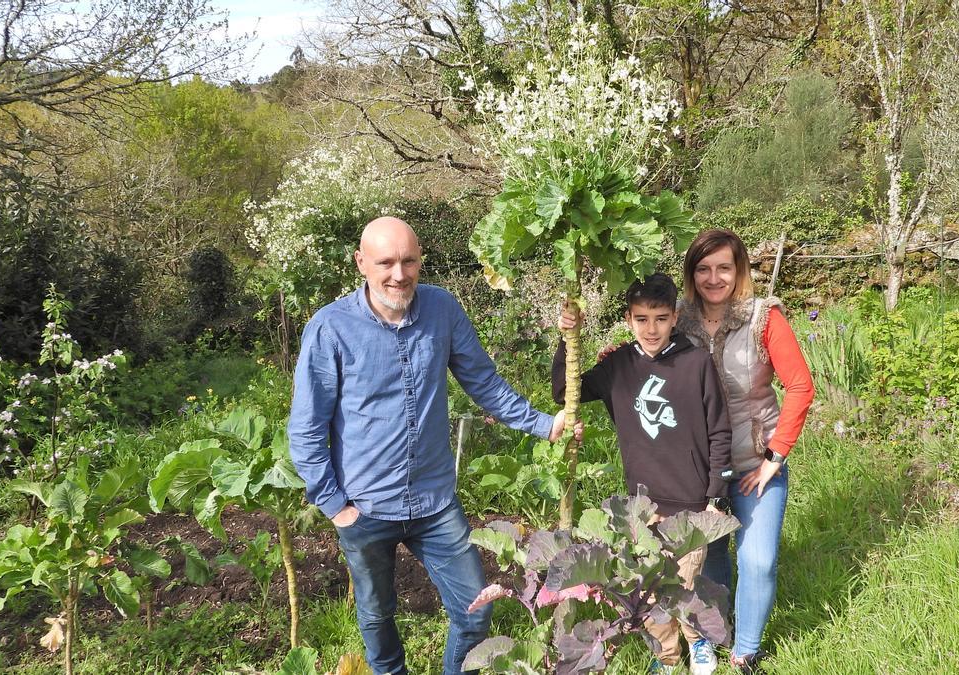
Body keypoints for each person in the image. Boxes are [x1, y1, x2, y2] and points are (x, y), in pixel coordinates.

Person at [287, 216, 572, 675]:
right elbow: (305, 429)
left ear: (420, 262)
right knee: (377, 616)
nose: (398, 274)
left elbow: (485, 384)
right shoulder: (330, 329)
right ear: (361, 263)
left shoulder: (442, 309)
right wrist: (336, 505)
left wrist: (544, 424)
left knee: (476, 611)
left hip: (435, 501)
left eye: (408, 261)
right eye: (385, 262)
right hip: (365, 505)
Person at [552, 273, 733, 675]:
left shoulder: (696, 362)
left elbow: (720, 429)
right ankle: (665, 656)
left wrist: (716, 495)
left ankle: (699, 644)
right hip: (642, 503)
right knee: (650, 588)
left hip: (690, 500)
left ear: (674, 318)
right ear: (628, 319)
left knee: (686, 586)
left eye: (660, 318)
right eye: (642, 319)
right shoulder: (618, 365)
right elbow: (566, 391)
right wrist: (567, 338)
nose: (651, 328)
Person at [677, 229, 815, 672]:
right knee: (710, 559)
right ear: (691, 272)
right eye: (703, 268)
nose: (713, 278)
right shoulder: (678, 319)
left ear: (739, 270)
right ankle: (717, 634)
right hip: (701, 470)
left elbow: (800, 386)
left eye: (723, 267)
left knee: (758, 560)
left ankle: (746, 653)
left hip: (757, 463)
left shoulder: (763, 317)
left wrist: (776, 456)